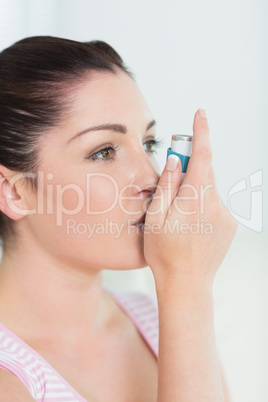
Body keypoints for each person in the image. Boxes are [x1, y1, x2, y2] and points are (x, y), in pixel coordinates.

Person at [0, 36, 237, 401]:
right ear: (14, 191)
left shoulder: (161, 321)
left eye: (149, 144)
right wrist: (185, 282)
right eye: (104, 151)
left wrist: (186, 294)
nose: (152, 180)